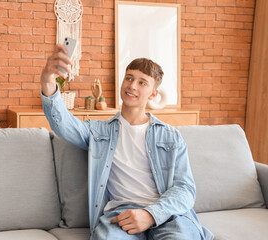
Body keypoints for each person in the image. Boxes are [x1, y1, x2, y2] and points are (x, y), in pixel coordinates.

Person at [40, 44, 214, 240]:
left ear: (153, 93)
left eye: (142, 83)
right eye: (129, 78)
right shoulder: (99, 132)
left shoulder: (170, 136)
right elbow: (62, 123)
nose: (132, 85)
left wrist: (150, 214)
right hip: (121, 215)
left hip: (168, 214)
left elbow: (185, 189)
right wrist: (48, 80)